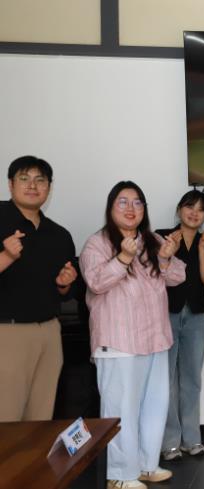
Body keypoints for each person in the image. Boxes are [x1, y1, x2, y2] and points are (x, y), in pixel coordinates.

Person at [80, 181, 185, 489]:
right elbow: (95, 282)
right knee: (121, 409)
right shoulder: (97, 243)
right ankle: (119, 475)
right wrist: (123, 258)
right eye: (123, 202)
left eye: (137, 202)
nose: (131, 208)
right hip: (118, 342)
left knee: (154, 406)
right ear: (111, 208)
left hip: (155, 339)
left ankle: (146, 465)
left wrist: (166, 258)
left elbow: (178, 276)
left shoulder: (152, 240)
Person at [0, 155, 77, 422]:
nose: (32, 185)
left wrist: (64, 284)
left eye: (40, 180)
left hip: (49, 332)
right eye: (24, 178)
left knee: (41, 418)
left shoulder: (59, 235)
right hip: (7, 332)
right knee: (6, 417)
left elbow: (64, 293)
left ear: (49, 187)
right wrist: (6, 256)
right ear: (10, 184)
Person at [157, 190, 204, 461]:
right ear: (180, 209)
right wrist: (168, 252)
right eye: (190, 206)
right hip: (165, 314)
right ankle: (170, 441)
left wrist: (203, 249)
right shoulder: (162, 237)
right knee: (167, 380)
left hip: (196, 316)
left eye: (201, 209)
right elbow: (154, 273)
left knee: (192, 379)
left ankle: (192, 439)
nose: (194, 213)